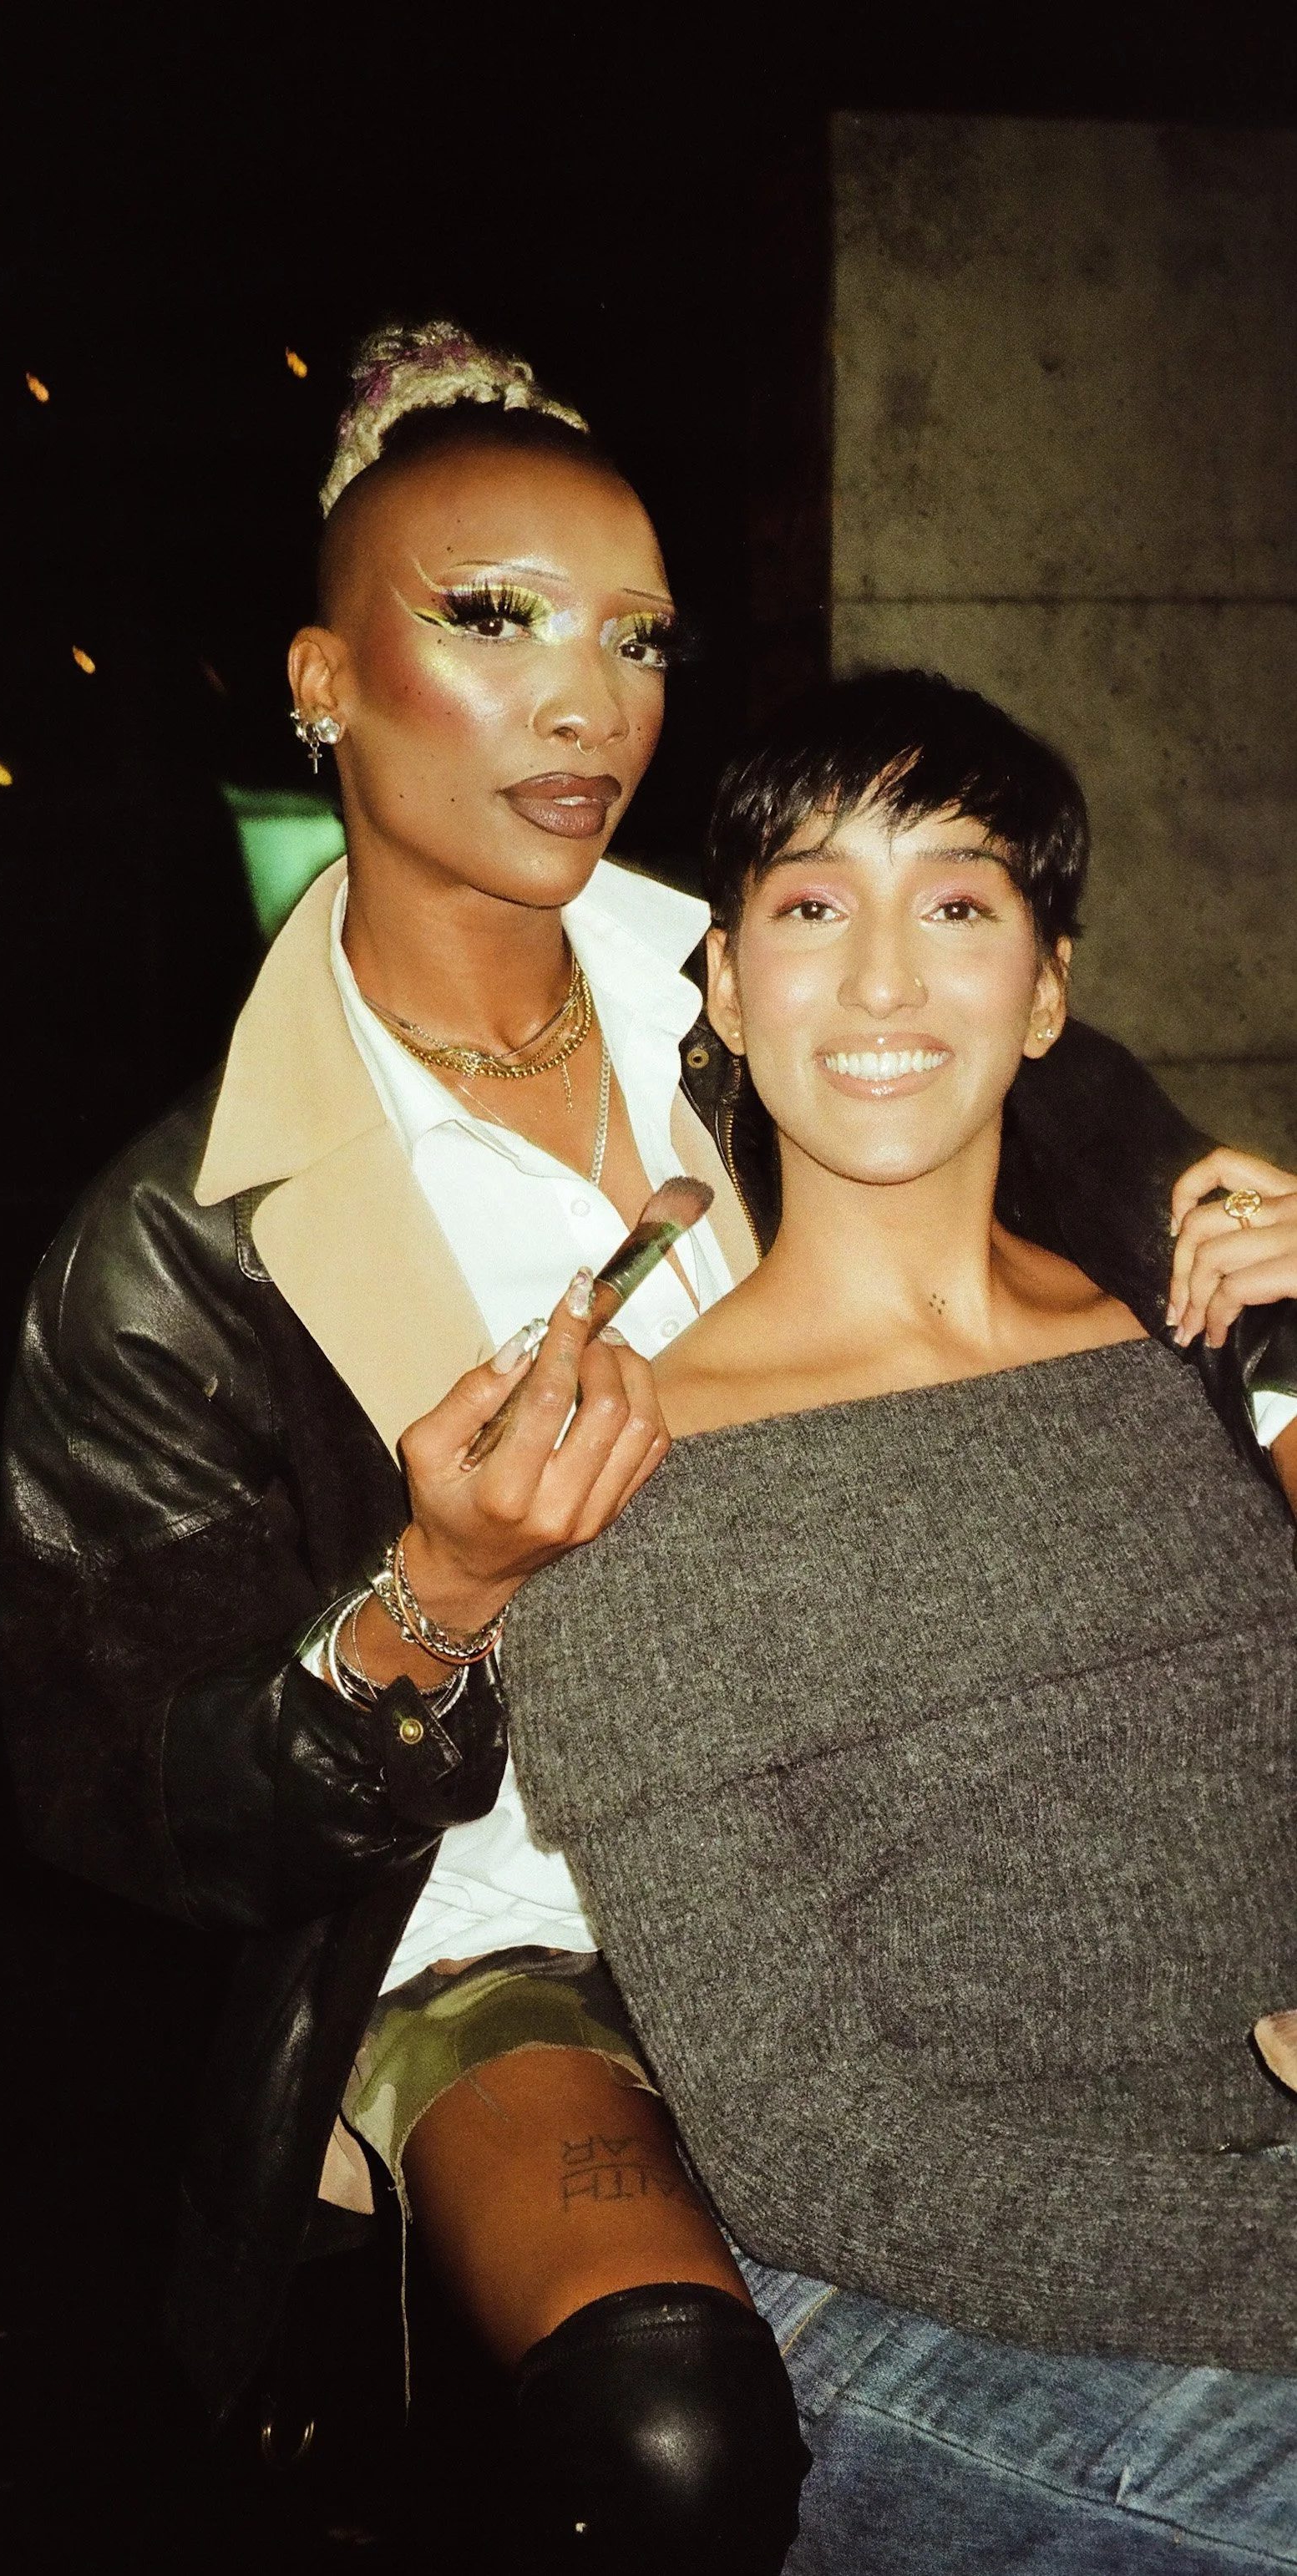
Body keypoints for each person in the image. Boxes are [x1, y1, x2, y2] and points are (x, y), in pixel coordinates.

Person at [499, 669, 1297, 2573]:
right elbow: (809, 2150)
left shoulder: (1185, 1355)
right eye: (809, 905)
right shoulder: (626, 1485)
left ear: (1046, 990)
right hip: (910, 2312)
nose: (879, 981)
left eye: (953, 902)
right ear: (721, 985)